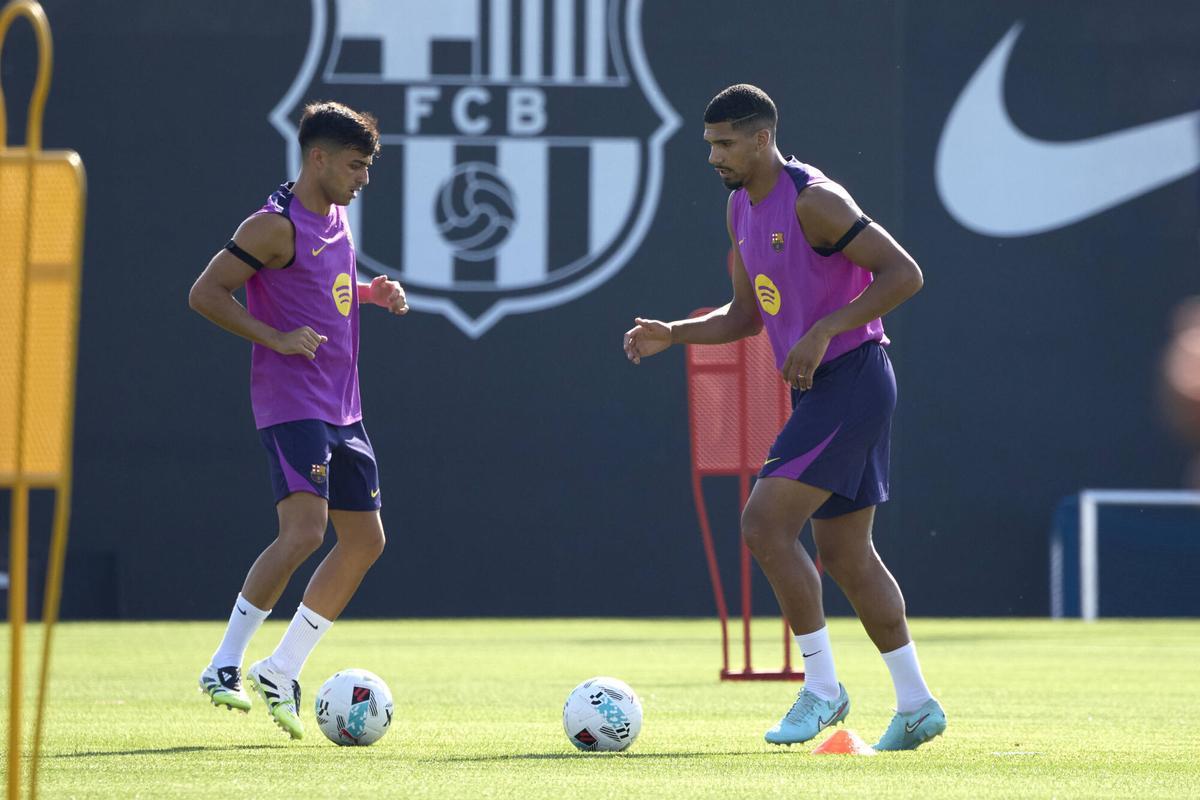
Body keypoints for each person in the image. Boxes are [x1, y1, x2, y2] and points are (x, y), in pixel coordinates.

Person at [622, 84, 945, 750]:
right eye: (710, 143)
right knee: (847, 557)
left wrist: (826, 328)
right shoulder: (739, 206)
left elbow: (904, 273)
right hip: (824, 386)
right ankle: (916, 704)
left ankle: (823, 690)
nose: (714, 156)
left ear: (762, 137)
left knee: (764, 524)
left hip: (852, 378)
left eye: (725, 143)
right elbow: (744, 315)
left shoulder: (815, 200)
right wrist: (674, 333)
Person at [188, 101, 407, 740]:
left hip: (344, 405)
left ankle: (281, 668)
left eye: (367, 166)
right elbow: (205, 293)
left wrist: (372, 293)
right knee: (306, 531)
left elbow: (325, 288)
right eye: (355, 165)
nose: (363, 178)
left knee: (366, 541)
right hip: (293, 402)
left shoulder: (335, 215)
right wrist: (276, 339)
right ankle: (223, 663)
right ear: (317, 157)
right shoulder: (271, 226)